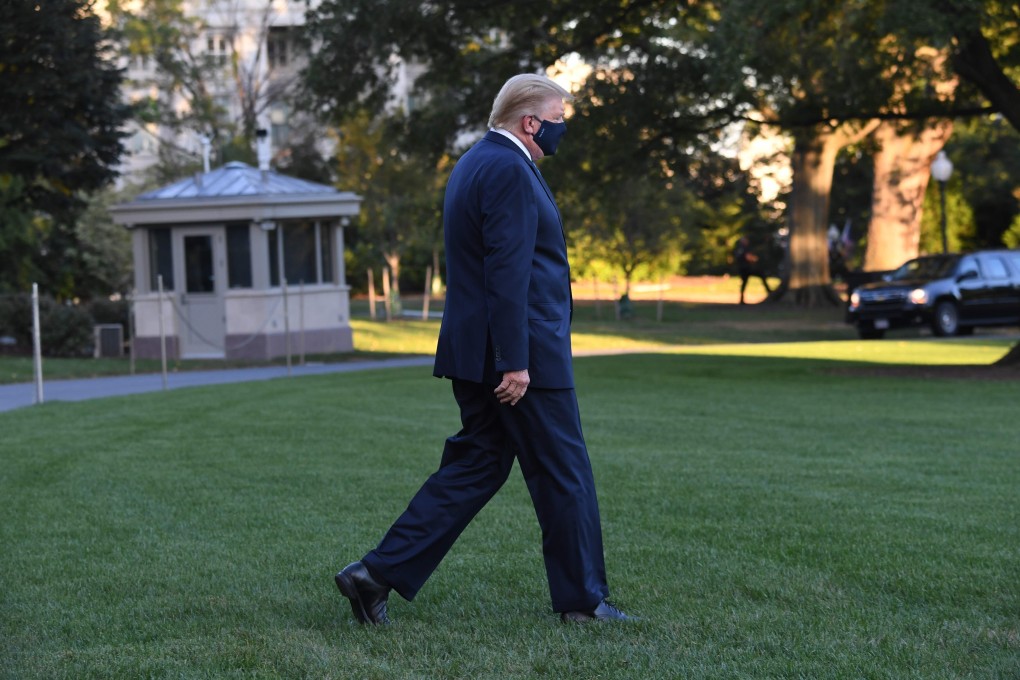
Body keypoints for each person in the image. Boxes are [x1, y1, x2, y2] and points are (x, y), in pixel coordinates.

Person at [334, 73, 632, 625]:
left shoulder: (474, 162)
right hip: (521, 360)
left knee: (476, 466)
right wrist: (516, 362)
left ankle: (373, 576)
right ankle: (584, 604)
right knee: (565, 472)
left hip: (477, 351)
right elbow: (507, 272)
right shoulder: (509, 169)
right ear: (530, 121)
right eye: (558, 118)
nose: (562, 127)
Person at [733, 235, 771, 304]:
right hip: (746, 268)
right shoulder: (744, 248)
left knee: (744, 283)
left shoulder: (739, 248)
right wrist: (754, 259)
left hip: (742, 268)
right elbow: (748, 257)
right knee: (761, 275)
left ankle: (741, 299)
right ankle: (769, 291)